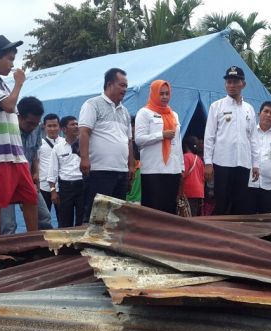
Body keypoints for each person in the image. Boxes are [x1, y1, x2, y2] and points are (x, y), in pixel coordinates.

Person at [0, 34, 38, 236]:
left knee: (30, 196)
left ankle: (33, 239)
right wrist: (19, 83)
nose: (12, 64)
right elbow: (10, 106)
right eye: (9, 58)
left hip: (15, 153)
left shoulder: (1, 83)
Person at [79, 68, 135, 222]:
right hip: (100, 171)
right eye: (121, 85)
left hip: (121, 172)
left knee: (116, 218)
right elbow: (84, 132)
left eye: (126, 86)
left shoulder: (125, 112)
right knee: (97, 217)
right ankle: (92, 245)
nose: (125, 89)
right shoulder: (92, 104)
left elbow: (129, 141)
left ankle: (110, 246)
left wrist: (131, 166)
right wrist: (84, 159)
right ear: (109, 84)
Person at [203, 65, 259, 215]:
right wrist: (208, 163)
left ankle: (237, 235)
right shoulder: (217, 106)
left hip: (244, 163)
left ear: (243, 84)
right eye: (229, 82)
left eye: (235, 82)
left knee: (240, 202)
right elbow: (209, 136)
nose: (231, 85)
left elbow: (253, 138)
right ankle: (220, 236)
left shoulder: (249, 109)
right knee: (222, 202)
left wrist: (256, 164)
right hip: (222, 162)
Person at [0, 96, 54, 234]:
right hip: (6, 179)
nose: (33, 127)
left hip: (27, 177)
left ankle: (42, 248)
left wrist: (36, 172)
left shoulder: (36, 129)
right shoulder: (4, 129)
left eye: (36, 123)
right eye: (30, 123)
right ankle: (9, 252)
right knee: (8, 224)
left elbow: (34, 152)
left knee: (44, 218)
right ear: (19, 117)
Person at [135, 80, 183, 214]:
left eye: (167, 94)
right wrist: (161, 135)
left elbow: (178, 142)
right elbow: (139, 140)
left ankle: (168, 235)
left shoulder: (174, 115)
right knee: (153, 211)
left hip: (173, 169)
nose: (164, 97)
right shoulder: (144, 113)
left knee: (169, 210)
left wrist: (181, 167)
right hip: (153, 170)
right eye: (161, 94)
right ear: (154, 93)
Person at [245, 101, 271, 214]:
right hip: (248, 183)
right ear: (259, 114)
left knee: (268, 220)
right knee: (247, 219)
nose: (268, 115)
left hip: (270, 185)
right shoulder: (248, 132)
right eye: (266, 111)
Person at [50, 115, 85, 227]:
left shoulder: (85, 145)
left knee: (83, 220)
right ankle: (67, 245)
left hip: (83, 185)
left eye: (77, 124)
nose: (76, 126)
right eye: (72, 124)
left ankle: (81, 244)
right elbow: (52, 172)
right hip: (66, 188)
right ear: (64, 129)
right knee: (65, 221)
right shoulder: (57, 148)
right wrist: (53, 191)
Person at [38, 113, 61, 213]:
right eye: (49, 126)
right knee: (43, 220)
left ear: (59, 126)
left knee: (63, 220)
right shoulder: (38, 144)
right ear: (44, 127)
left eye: (55, 125)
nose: (52, 129)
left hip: (61, 187)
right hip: (43, 187)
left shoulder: (65, 143)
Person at [181, 136, 205, 217]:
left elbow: (182, 175)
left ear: (185, 145)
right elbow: (203, 178)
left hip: (188, 192)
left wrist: (179, 193)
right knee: (194, 216)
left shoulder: (185, 157)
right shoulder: (199, 159)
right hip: (199, 192)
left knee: (187, 217)